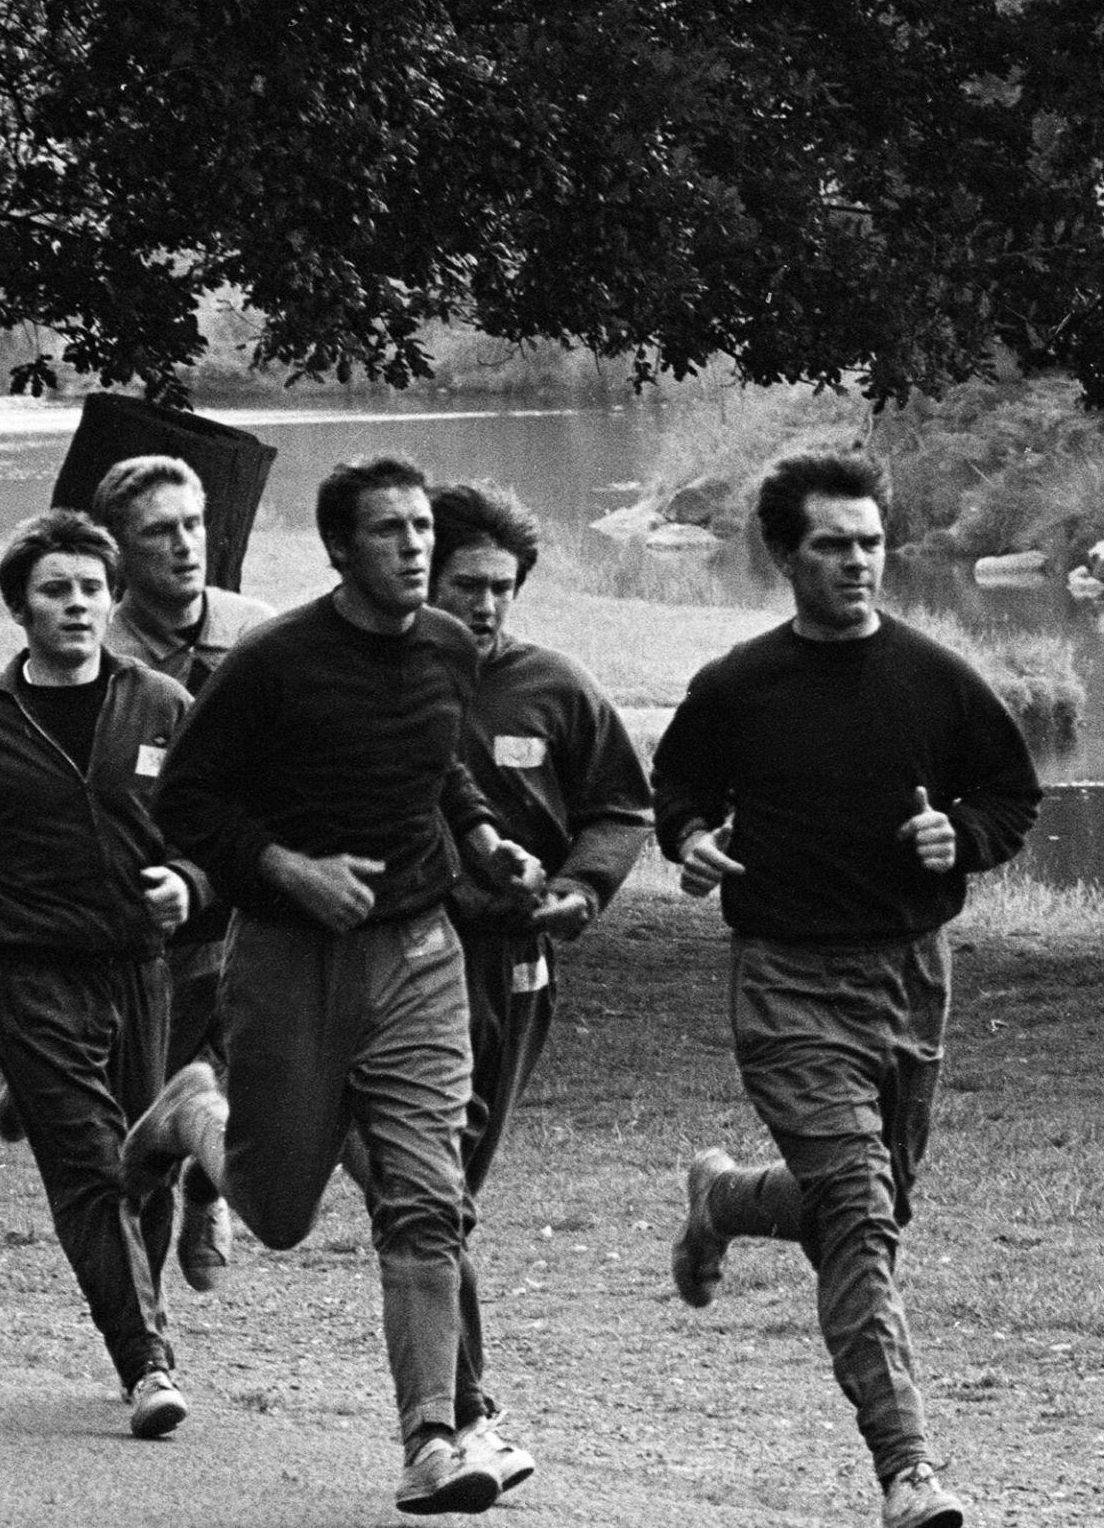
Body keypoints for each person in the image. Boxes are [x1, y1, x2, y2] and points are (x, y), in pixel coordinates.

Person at [123, 455, 545, 1517]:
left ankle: (434, 1441)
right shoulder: (273, 662)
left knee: (427, 1199)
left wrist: (484, 838)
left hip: (419, 952)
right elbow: (187, 800)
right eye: (390, 531)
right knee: (278, 1213)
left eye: (420, 528)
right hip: (288, 956)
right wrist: (287, 867)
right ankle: (193, 1114)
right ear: (339, 550)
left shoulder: (449, 647)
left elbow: (439, 762)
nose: (415, 547)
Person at [653, 450, 1043, 1528]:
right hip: (784, 980)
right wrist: (689, 839)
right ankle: (908, 1469)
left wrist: (955, 836)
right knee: (861, 1216)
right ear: (785, 555)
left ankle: (727, 1198)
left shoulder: (936, 677)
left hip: (909, 978)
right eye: (833, 544)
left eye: (871, 542)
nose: (857, 562)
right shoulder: (737, 687)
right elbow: (678, 787)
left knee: (871, 1208)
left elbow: (1012, 795)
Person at [0, 510, 208, 1439]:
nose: (78, 604)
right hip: (32, 970)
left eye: (91, 587)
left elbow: (213, 827)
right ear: (22, 608)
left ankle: (139, 1314)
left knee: (146, 1167)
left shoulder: (162, 703)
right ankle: (147, 1364)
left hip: (141, 968)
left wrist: (191, 884)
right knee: (90, 1168)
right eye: (57, 589)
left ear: (112, 597)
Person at [409, 480, 651, 1470]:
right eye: (468, 583)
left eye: (503, 587)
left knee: (446, 1183)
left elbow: (620, 808)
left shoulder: (555, 686)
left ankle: (459, 1411)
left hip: (512, 967)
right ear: (421, 575)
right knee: (433, 1184)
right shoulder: (379, 679)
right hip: (397, 953)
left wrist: (586, 890)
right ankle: (466, 1413)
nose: (486, 604)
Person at [91, 454, 276, 1292]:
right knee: (134, 1125)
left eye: (194, 525)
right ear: (121, 552)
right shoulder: (94, 653)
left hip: (258, 911)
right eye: (159, 531)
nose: (184, 546)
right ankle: (146, 1327)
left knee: (263, 1094)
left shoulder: (262, 633)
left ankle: (209, 1187)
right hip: (149, 930)